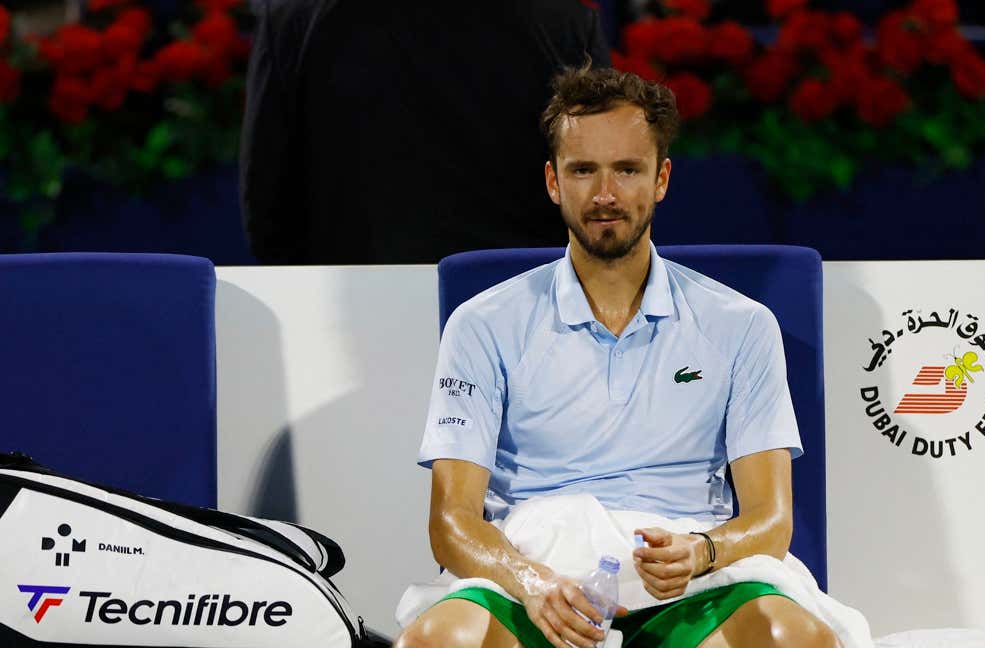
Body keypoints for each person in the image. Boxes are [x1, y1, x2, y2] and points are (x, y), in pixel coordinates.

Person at [396, 64, 840, 648]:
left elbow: (770, 521)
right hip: (534, 579)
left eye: (627, 170)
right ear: (554, 182)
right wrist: (532, 582)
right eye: (584, 171)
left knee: (793, 636)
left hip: (688, 584)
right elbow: (452, 523)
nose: (606, 195)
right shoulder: (481, 324)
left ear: (661, 179)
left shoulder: (743, 326)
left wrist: (704, 552)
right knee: (437, 640)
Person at [239, 1, 609, 264]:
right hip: (525, 314)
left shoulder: (292, 19)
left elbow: (268, 213)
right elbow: (601, 195)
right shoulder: (566, 24)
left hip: (357, 315)